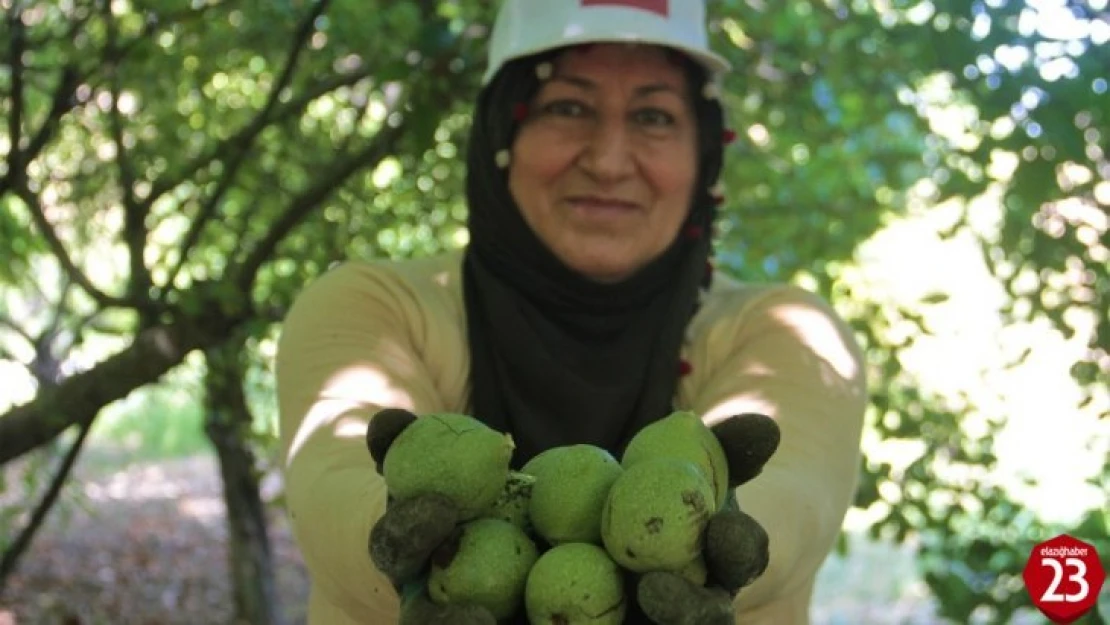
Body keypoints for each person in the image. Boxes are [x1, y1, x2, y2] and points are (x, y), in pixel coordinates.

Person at [275, 0, 868, 623]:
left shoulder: (788, 333)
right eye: (567, 107)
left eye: (654, 116)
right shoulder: (375, 307)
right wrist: (401, 550)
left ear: (704, 156)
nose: (609, 161)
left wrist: (709, 547)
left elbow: (797, 497)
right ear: (503, 134)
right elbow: (331, 486)